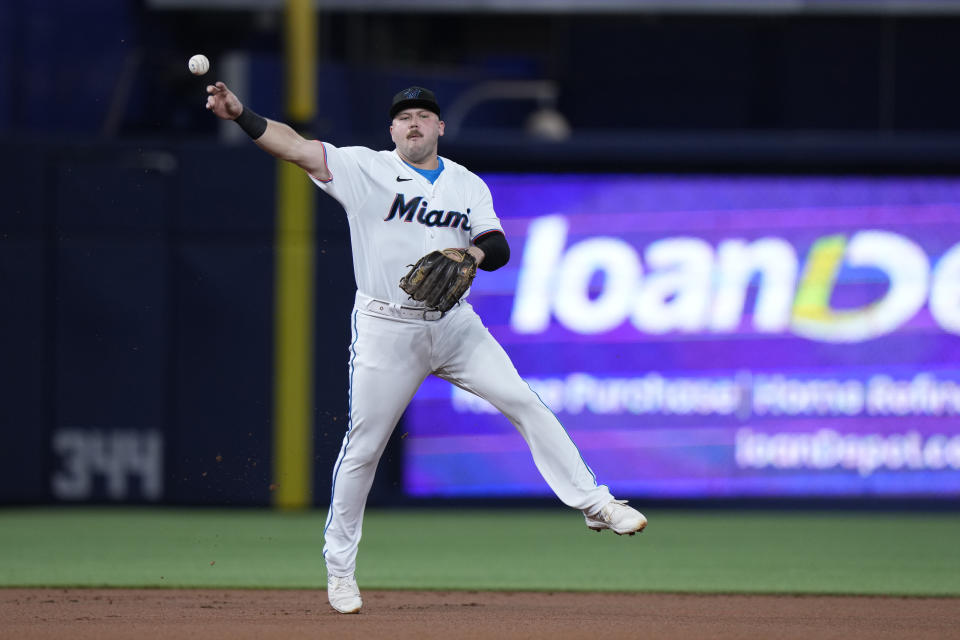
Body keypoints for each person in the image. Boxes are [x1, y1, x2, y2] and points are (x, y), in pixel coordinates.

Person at [205, 82, 647, 614]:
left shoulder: (465, 183)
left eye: (423, 115)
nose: (413, 123)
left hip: (454, 325)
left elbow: (498, 245)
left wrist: (473, 258)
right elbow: (295, 146)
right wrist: (240, 115)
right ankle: (339, 571)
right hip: (386, 329)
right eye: (403, 117)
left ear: (440, 127)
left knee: (525, 403)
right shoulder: (362, 169)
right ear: (392, 130)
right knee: (364, 448)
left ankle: (597, 504)